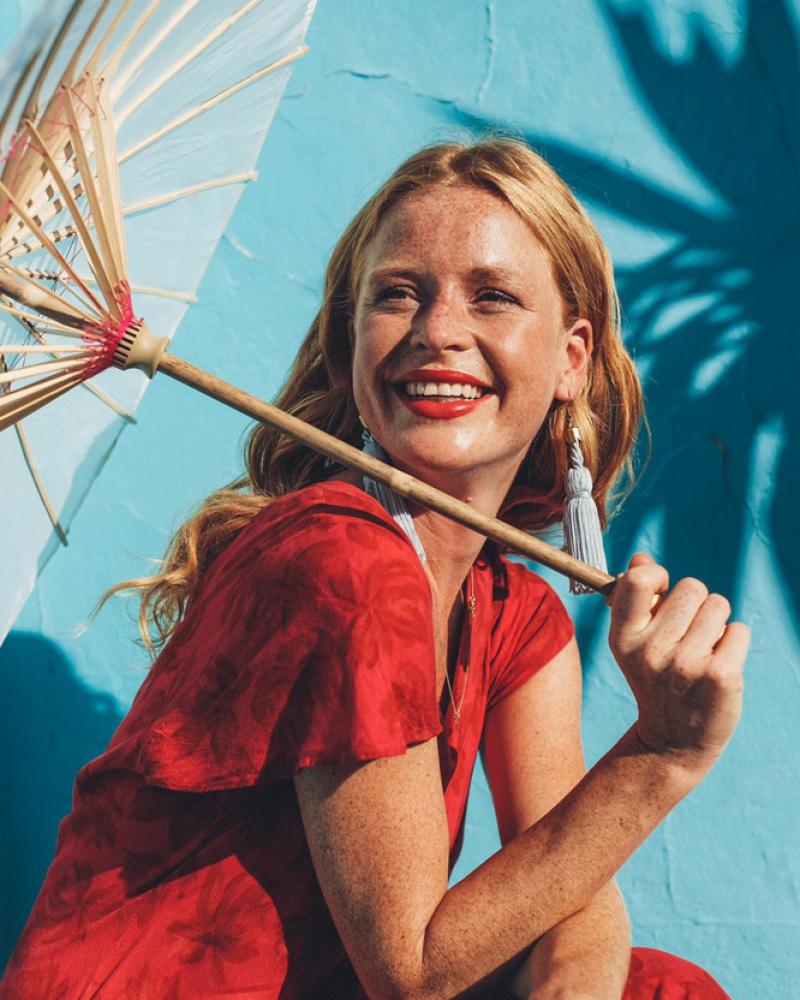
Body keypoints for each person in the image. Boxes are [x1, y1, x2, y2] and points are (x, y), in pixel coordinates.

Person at [0, 139, 749, 999]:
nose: (438, 332)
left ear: (571, 358)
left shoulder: (515, 612)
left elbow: (571, 889)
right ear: (351, 340)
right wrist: (660, 754)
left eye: (493, 297)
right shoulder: (343, 556)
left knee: (659, 987)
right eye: (397, 294)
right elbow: (412, 969)